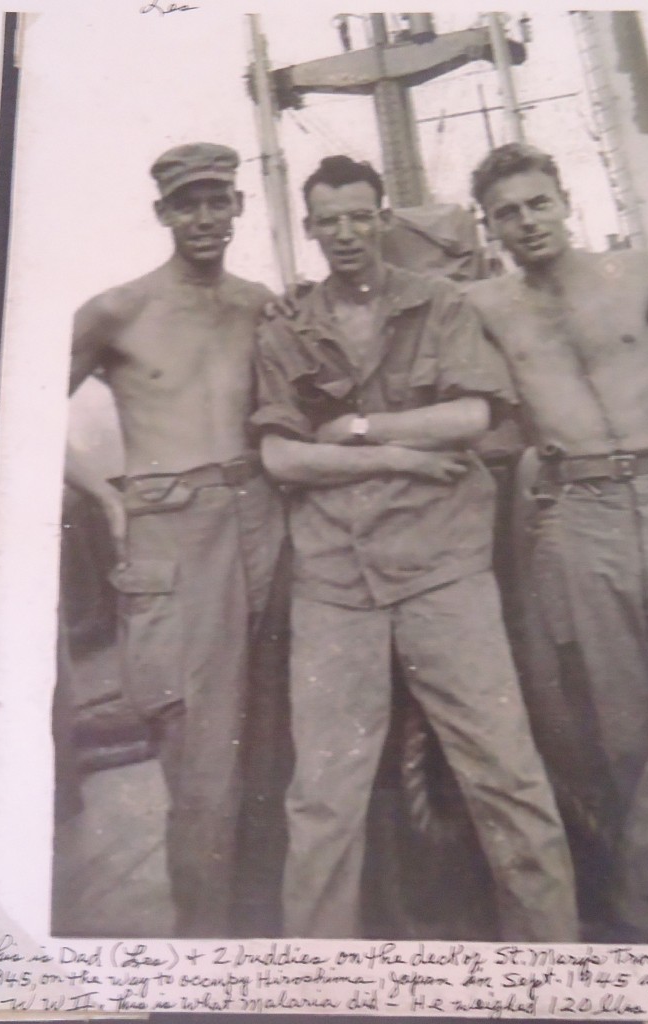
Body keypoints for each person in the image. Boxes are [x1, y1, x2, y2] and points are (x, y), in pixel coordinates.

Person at [253, 154, 578, 941]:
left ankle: (557, 967)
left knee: (504, 773)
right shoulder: (287, 329)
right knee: (324, 796)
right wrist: (398, 455)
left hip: (442, 572)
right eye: (328, 221)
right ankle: (318, 983)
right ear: (310, 229)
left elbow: (470, 416)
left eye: (360, 215)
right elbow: (281, 458)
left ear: (381, 216)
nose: (346, 234)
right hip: (335, 583)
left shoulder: (438, 304)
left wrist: (360, 430)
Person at [467, 143, 648, 944]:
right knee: (626, 744)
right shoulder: (486, 305)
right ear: (490, 230)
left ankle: (645, 907)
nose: (526, 223)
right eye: (507, 214)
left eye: (537, 203)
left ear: (565, 200)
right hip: (579, 518)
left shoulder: (637, 274)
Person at [66, 142, 285, 936]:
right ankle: (200, 962)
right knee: (198, 763)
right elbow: (5, 408)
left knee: (271, 749)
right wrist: (105, 496)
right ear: (161, 212)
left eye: (217, 200)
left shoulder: (261, 305)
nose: (204, 217)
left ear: (237, 207)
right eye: (187, 203)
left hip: (263, 526)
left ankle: (268, 953)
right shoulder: (116, 311)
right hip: (172, 538)